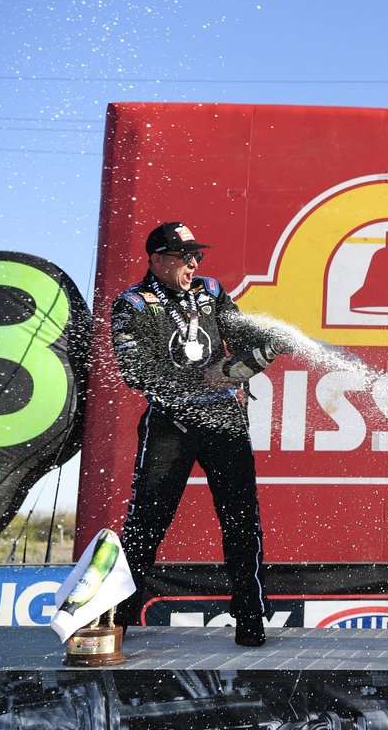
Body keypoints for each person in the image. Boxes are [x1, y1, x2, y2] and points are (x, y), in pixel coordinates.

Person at [111, 222, 289, 647]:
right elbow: (136, 371)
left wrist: (263, 350)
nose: (194, 263)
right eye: (183, 255)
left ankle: (251, 619)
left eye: (197, 255)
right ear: (156, 259)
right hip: (170, 424)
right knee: (146, 523)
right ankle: (117, 620)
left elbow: (244, 339)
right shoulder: (133, 304)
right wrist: (199, 381)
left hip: (224, 421)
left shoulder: (209, 290)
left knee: (242, 521)